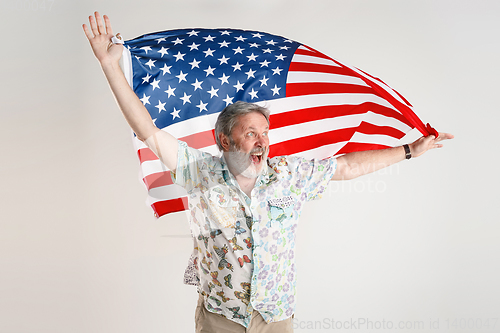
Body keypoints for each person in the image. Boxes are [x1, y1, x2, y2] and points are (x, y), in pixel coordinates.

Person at [83, 12, 454, 333]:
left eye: (265, 133)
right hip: (220, 317)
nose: (262, 141)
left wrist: (408, 151)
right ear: (226, 141)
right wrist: (109, 65)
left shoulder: (289, 175)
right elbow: (147, 130)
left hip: (275, 318)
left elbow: (347, 166)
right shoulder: (200, 171)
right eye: (250, 133)